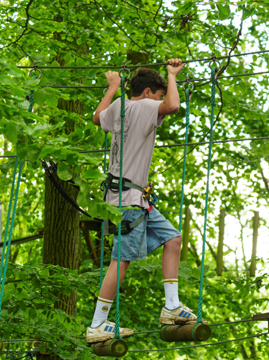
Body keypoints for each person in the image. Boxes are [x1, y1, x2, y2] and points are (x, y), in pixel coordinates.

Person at [86, 59, 200, 344]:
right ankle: (97, 324)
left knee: (172, 239)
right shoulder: (145, 105)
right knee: (121, 261)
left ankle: (171, 306)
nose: (161, 101)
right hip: (129, 201)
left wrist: (112, 89)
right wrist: (172, 76)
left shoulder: (119, 107)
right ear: (148, 92)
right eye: (159, 95)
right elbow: (172, 106)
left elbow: (97, 117)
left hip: (134, 198)